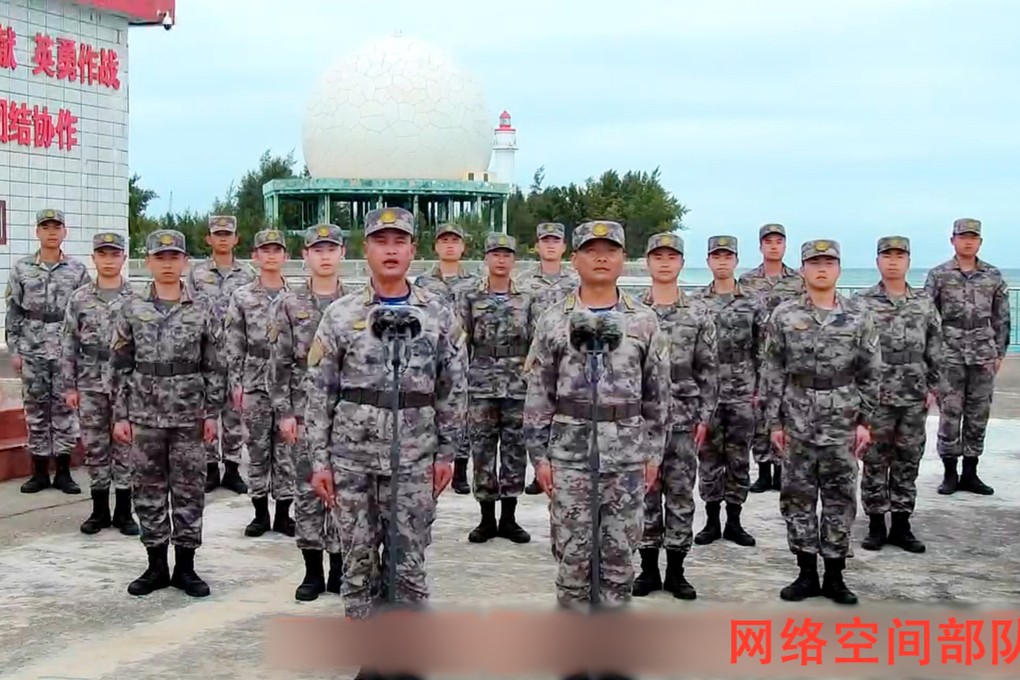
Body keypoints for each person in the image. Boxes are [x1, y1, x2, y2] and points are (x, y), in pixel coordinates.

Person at [305, 207, 467, 680]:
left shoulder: (437, 314)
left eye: (400, 241)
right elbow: (320, 391)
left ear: (414, 249)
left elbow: (453, 388)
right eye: (381, 241)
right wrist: (320, 460)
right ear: (367, 249)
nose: (391, 249)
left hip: (415, 459)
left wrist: (447, 452)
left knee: (408, 561)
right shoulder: (341, 315)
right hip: (352, 460)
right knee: (357, 562)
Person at [524, 219, 669, 625]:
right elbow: (539, 394)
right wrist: (539, 457)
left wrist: (653, 453)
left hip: (626, 457)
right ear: (575, 259)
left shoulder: (644, 321)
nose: (601, 257)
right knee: (572, 556)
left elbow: (658, 396)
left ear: (624, 258)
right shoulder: (554, 320)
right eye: (591, 249)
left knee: (620, 557)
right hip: (569, 455)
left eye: (610, 250)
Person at [761, 239, 880, 606]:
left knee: (840, 497)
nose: (821, 269)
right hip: (797, 415)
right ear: (803, 269)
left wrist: (865, 421)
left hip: (843, 417)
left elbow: (871, 370)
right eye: (814, 263)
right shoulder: (784, 315)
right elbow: (773, 369)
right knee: (797, 496)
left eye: (829, 262)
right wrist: (774, 422)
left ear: (839, 269)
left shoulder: (858, 315)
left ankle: (835, 575)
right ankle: (806, 572)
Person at [110, 229, 224, 598]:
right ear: (148, 262)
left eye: (174, 257)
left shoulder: (204, 307)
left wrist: (212, 413)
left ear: (185, 262)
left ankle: (186, 568)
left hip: (190, 415)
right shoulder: (132, 307)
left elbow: (215, 364)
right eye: (160, 257)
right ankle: (156, 564)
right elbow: (120, 363)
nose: (168, 264)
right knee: (148, 489)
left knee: (189, 490)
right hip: (144, 414)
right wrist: (120, 415)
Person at [632, 233, 717, 601]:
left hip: (684, 418)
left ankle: (677, 571)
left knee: (681, 496)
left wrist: (705, 416)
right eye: (658, 256)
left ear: (682, 263)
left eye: (672, 256)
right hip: (642, 421)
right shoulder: (633, 313)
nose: (665, 262)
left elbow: (709, 370)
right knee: (645, 494)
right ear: (648, 263)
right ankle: (648, 569)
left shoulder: (699, 314)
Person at [270, 224, 349, 601]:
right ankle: (312, 572)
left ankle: (340, 570)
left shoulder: (356, 304)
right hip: (303, 413)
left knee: (344, 494)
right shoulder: (288, 304)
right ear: (306, 256)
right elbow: (279, 363)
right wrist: (284, 412)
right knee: (306, 492)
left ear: (342, 254)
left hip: (346, 415)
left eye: (331, 249)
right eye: (317, 249)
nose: (324, 255)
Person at [854, 237, 940, 553]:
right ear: (878, 261)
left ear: (908, 261)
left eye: (899, 256)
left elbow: (936, 346)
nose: (893, 261)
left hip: (913, 396)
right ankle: (876, 524)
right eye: (887, 256)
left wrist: (934, 386)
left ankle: (902, 525)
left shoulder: (923, 302)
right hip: (876, 397)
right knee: (875, 461)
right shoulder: (862, 303)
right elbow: (856, 352)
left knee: (907, 460)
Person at [458, 232, 536, 545]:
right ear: (486, 258)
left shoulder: (527, 297)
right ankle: (486, 518)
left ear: (513, 260)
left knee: (515, 451)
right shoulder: (470, 296)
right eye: (495, 254)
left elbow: (536, 343)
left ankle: (509, 518)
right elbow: (460, 341)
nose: (501, 260)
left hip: (518, 384)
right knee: (483, 450)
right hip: (481, 384)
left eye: (506, 255)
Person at [6, 208, 91, 494]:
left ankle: (64, 472)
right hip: (32, 348)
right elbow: (14, 312)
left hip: (66, 350)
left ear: (65, 232)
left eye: (57, 227)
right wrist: (15, 350)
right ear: (37, 232)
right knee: (35, 410)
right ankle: (39, 472)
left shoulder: (77, 271)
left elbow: (86, 314)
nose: (51, 232)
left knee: (66, 410)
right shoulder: (22, 268)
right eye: (46, 227)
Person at [924, 218, 1009, 496]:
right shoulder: (939, 275)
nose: (968, 241)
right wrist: (932, 355)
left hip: (983, 354)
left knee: (978, 414)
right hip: (949, 353)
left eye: (973, 237)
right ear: (953, 240)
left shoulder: (993, 275)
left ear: (980, 242)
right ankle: (950, 473)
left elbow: (1001, 317)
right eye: (963, 237)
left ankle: (971, 473)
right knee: (950, 414)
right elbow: (929, 317)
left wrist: (999, 352)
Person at [61, 231, 138, 536]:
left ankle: (123, 512)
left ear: (124, 258)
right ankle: (99, 511)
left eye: (114, 254)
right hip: (90, 382)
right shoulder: (79, 298)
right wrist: (69, 386)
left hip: (125, 385)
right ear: (94, 259)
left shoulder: (136, 299)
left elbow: (144, 346)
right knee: (95, 448)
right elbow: (68, 342)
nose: (109, 260)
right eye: (103, 254)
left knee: (125, 446)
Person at [693, 236, 763, 548]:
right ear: (708, 261)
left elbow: (764, 350)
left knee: (738, 458)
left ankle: (734, 520)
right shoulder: (696, 302)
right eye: (716, 256)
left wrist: (760, 389)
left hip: (742, 390)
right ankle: (710, 521)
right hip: (707, 391)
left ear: (736, 261)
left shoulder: (753, 301)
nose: (722, 262)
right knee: (708, 456)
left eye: (727, 256)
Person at [225, 229, 295, 537]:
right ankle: (259, 514)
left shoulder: (295, 297)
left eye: (276, 250)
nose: (270, 255)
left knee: (286, 452)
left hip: (288, 385)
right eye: (264, 250)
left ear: (285, 256)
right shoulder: (241, 296)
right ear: (254, 256)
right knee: (257, 450)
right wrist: (236, 383)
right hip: (253, 381)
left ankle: (283, 513)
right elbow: (234, 343)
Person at [185, 215, 253, 495]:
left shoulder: (248, 274)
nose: (223, 238)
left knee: (235, 411)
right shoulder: (197, 274)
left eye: (228, 234)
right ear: (209, 239)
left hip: (237, 353)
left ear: (236, 239)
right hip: (207, 352)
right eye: (218, 234)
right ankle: (211, 467)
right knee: (207, 409)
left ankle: (233, 468)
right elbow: (187, 309)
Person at [738, 223, 803, 493]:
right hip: (756, 357)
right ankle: (763, 471)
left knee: (784, 414)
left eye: (778, 241)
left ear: (785, 246)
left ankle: (781, 470)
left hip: (787, 359)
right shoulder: (748, 281)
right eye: (769, 242)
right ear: (761, 247)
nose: (774, 246)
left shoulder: (798, 281)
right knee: (759, 415)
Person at [413, 223, 477, 495]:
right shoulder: (423, 283)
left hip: (467, 355)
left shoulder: (475, 282)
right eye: (444, 240)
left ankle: (460, 468)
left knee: (463, 411)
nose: (450, 245)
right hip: (434, 357)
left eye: (455, 240)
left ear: (463, 247)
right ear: (436, 246)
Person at [516, 222, 580, 495]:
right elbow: (520, 324)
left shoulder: (576, 282)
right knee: (536, 420)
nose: (551, 245)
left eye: (556, 240)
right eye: (545, 240)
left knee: (563, 419)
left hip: (570, 362)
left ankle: (559, 465)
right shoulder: (523, 284)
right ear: (537, 245)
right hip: (537, 361)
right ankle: (538, 470)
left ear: (564, 247)